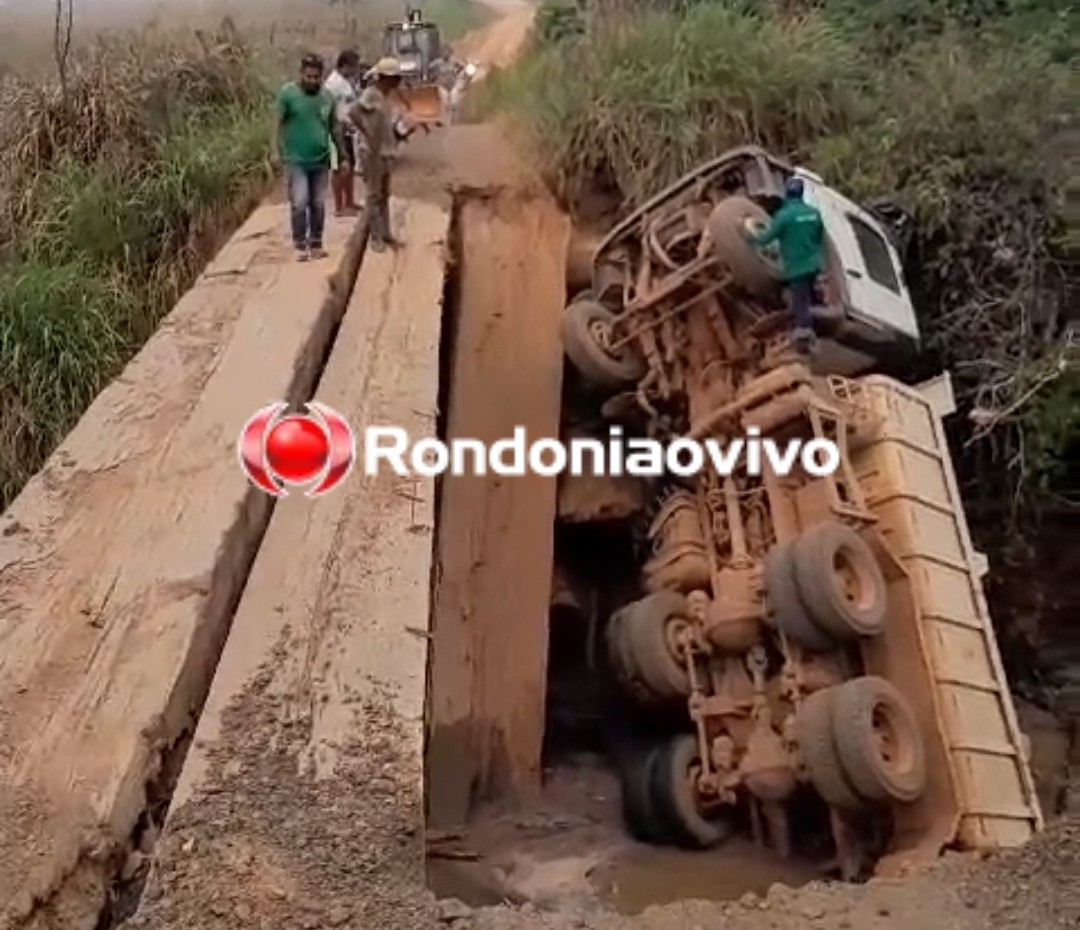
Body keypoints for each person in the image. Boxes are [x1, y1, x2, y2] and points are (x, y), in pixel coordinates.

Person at [273, 53, 346, 261]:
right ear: (301, 74)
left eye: (316, 77)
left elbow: (335, 128)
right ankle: (299, 244)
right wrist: (275, 150)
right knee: (300, 200)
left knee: (318, 203)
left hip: (321, 159)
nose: (312, 81)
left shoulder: (327, 97)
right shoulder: (288, 94)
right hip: (296, 159)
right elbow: (277, 123)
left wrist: (342, 155)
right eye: (309, 76)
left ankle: (316, 242)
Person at [746, 176, 825, 355]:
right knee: (810, 296)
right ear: (801, 192)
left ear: (787, 193)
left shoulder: (783, 216)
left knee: (800, 305)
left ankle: (805, 341)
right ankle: (817, 319)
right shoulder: (814, 213)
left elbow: (765, 238)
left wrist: (748, 236)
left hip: (796, 268)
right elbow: (819, 236)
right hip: (813, 264)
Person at [350, 57, 415, 252]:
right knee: (373, 196)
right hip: (372, 152)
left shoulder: (386, 96)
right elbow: (353, 112)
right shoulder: (372, 94)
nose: (397, 82)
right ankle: (375, 237)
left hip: (385, 151)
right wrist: (368, 135)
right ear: (384, 78)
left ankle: (385, 234)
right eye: (394, 78)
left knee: (383, 195)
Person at [324, 49, 362, 217]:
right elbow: (328, 110)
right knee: (339, 168)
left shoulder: (346, 82)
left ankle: (350, 202)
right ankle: (339, 207)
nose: (356, 71)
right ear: (345, 66)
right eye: (354, 67)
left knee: (350, 166)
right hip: (337, 131)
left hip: (348, 131)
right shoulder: (332, 85)